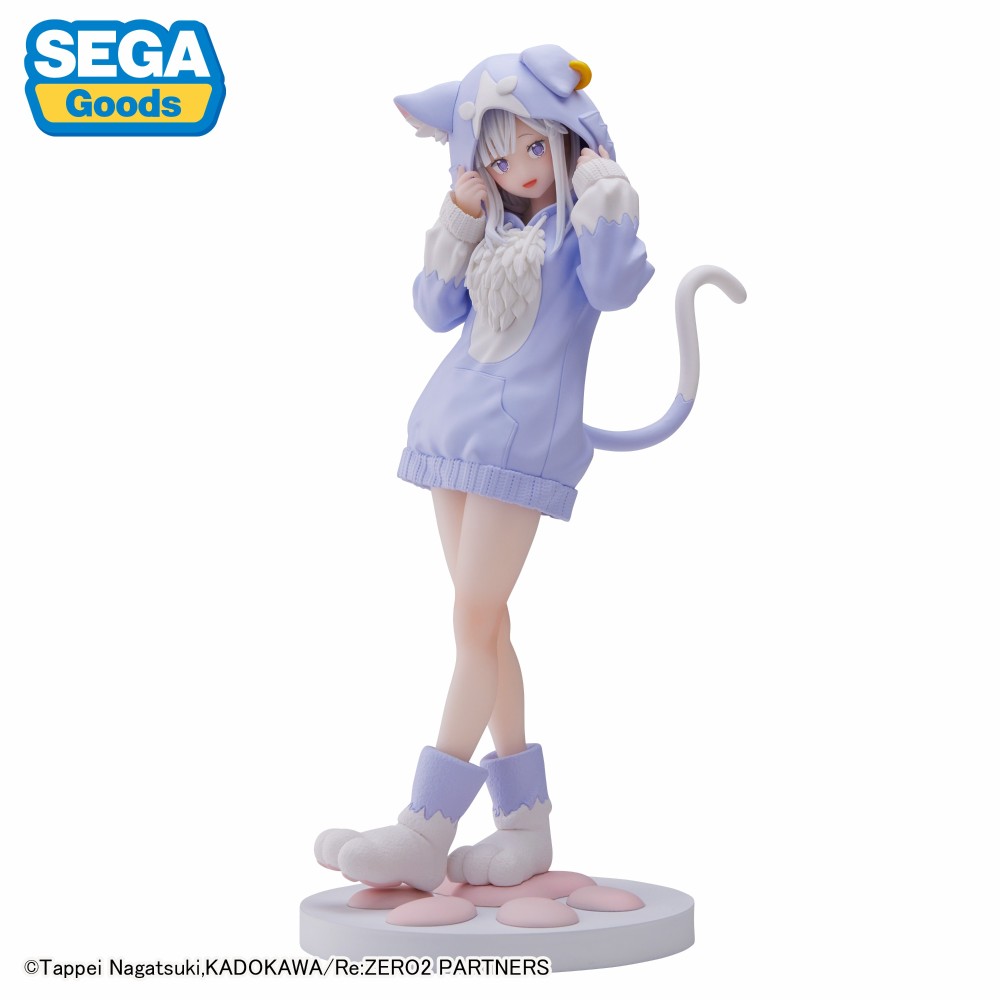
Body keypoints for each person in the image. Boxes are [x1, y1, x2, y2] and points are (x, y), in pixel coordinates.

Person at [315, 44, 735, 891]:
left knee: (476, 622)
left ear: (568, 137)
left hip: (520, 441)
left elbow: (615, 290)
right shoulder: (495, 230)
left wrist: (608, 194)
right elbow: (434, 309)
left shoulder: (581, 230)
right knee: (485, 625)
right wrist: (458, 216)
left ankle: (425, 826)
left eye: (535, 145)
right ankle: (524, 824)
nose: (521, 168)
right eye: (499, 156)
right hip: (450, 430)